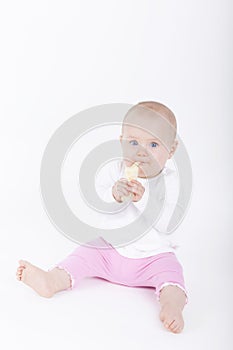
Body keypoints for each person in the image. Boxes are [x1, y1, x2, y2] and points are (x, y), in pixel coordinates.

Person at [16, 101, 189, 334]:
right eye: (134, 142)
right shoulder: (114, 171)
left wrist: (144, 199)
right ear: (121, 142)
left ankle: (171, 305)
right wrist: (114, 195)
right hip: (110, 252)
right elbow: (97, 203)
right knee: (85, 252)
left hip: (152, 259)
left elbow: (168, 224)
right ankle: (52, 281)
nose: (141, 151)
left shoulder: (170, 182)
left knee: (172, 274)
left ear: (171, 150)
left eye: (154, 144)